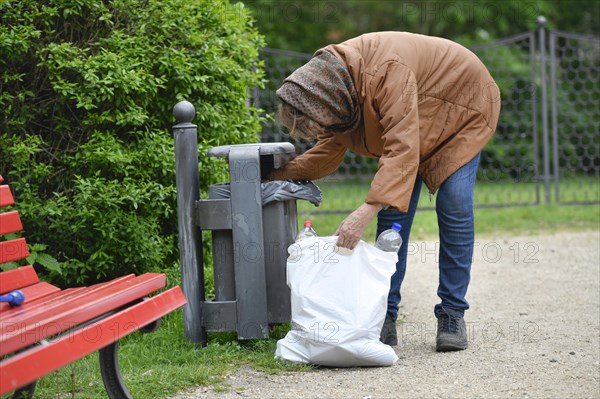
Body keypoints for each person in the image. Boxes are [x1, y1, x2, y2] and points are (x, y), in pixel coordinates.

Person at [269, 32, 501, 352]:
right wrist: (273, 176)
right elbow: (327, 152)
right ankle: (385, 316)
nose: (321, 129)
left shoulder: (388, 72)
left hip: (461, 108)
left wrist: (365, 210)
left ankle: (452, 313)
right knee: (394, 218)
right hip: (418, 114)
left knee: (454, 203)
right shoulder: (342, 89)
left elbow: (401, 149)